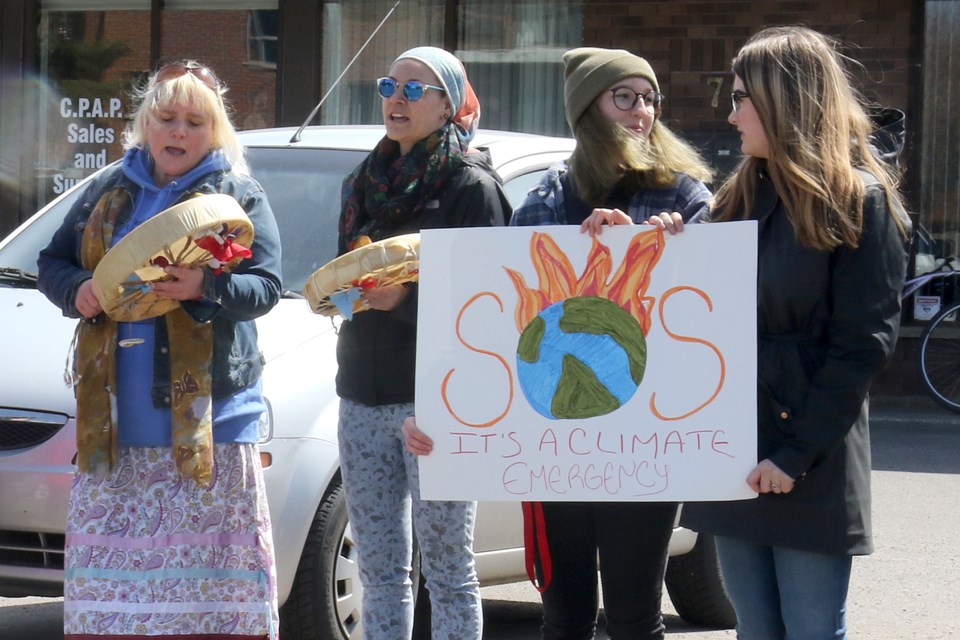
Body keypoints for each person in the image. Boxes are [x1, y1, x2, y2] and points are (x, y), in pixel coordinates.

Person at [405, 47, 714, 640]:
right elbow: (499, 319)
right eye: (624, 96)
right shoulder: (549, 197)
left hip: (644, 442)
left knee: (634, 615)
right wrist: (442, 409)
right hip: (555, 442)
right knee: (565, 614)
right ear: (587, 110)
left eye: (649, 98)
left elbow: (715, 297)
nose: (641, 111)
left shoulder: (684, 196)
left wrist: (672, 245)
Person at [671, 26, 911, 640]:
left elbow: (862, 348)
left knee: (810, 630)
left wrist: (795, 454)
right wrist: (654, 240)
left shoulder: (861, 202)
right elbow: (688, 308)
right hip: (733, 442)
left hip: (809, 454)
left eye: (740, 99)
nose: (730, 116)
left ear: (784, 101)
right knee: (755, 628)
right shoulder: (738, 195)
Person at [37, 61, 282, 639]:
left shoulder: (237, 194)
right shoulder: (106, 189)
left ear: (214, 131)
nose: (178, 132)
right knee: (114, 609)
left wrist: (205, 287)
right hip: (116, 429)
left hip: (209, 429)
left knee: (207, 605)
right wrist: (81, 290)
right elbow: (51, 263)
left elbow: (267, 287)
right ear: (145, 123)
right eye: (166, 118)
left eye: (194, 122)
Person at [333, 46, 511, 639]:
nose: (396, 99)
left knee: (449, 569)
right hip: (361, 393)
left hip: (440, 400)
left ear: (448, 105)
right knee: (380, 571)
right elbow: (345, 273)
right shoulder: (361, 181)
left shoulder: (473, 187)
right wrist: (340, 294)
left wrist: (402, 302)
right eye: (389, 86)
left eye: (414, 89)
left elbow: (489, 309)